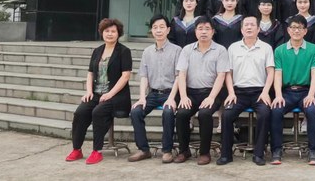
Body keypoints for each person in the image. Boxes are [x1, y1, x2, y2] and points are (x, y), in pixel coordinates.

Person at [66, 18, 133, 165]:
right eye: (106, 31)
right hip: (96, 94)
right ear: (102, 33)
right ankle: (77, 149)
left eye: (113, 31)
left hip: (117, 96)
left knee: (98, 112)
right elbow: (90, 73)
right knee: (81, 112)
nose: (110, 34)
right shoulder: (97, 51)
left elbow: (125, 76)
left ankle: (97, 151)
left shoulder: (124, 51)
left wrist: (110, 94)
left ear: (118, 33)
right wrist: (89, 91)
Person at [217, 15, 274, 166]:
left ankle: (259, 154)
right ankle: (226, 154)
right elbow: (228, 73)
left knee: (265, 114)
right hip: (238, 93)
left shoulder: (266, 48)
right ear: (241, 29)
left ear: (258, 29)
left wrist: (265, 92)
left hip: (259, 92)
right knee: (227, 115)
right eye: (246, 25)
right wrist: (231, 93)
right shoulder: (233, 48)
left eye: (252, 25)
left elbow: (271, 72)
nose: (249, 27)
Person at [174, 16, 229, 165]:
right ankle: (184, 151)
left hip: (212, 93)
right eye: (200, 28)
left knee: (204, 114)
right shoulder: (187, 50)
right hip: (191, 93)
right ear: (195, 31)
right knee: (181, 114)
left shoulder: (220, 50)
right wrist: (183, 96)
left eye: (207, 29)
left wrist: (211, 97)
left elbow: (221, 75)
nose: (203, 32)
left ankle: (204, 153)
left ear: (213, 31)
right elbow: (181, 74)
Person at [270, 15, 315, 165]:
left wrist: (311, 95)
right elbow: (277, 75)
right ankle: (276, 150)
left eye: (300, 28)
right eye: (293, 27)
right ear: (288, 30)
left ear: (305, 31)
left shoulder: (313, 49)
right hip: (286, 92)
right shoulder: (280, 50)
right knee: (276, 110)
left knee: (312, 111)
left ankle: (313, 151)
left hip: (306, 91)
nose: (296, 31)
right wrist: (278, 95)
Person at [128, 15, 181, 163]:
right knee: (136, 111)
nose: (158, 30)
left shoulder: (177, 50)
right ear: (151, 30)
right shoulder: (147, 52)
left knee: (168, 112)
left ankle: (167, 151)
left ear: (168, 30)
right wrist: (142, 97)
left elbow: (179, 77)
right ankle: (143, 149)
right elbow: (144, 76)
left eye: (162, 27)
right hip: (153, 93)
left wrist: (172, 98)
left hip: (171, 93)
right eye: (155, 27)